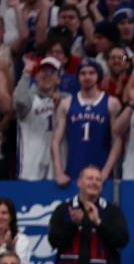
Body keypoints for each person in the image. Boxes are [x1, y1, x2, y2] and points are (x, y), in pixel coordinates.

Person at [48, 166, 129, 264]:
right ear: (79, 182)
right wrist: (73, 224)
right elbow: (53, 241)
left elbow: (122, 240)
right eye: (90, 178)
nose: (94, 182)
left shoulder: (112, 211)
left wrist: (98, 223)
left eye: (98, 180)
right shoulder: (63, 209)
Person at [51, 58, 122, 187]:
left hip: (101, 172)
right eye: (83, 73)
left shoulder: (112, 103)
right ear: (77, 77)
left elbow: (117, 140)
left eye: (91, 73)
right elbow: (56, 141)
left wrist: (105, 172)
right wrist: (59, 172)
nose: (87, 77)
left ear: (98, 76)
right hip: (73, 171)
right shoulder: (66, 104)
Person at [14, 55, 66, 181]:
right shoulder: (30, 98)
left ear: (58, 80)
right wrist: (26, 72)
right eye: (43, 71)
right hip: (29, 166)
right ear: (36, 76)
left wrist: (62, 104)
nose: (46, 75)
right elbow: (19, 101)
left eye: (52, 72)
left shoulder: (66, 100)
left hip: (56, 166)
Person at [0, 198, 33, 264]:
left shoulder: (21, 239)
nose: (0, 217)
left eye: (4, 213)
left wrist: (11, 250)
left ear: (11, 217)